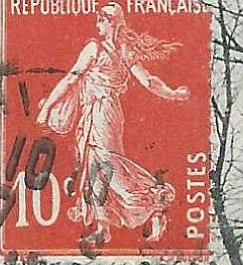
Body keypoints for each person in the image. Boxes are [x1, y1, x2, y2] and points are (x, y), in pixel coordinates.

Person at [35, 1, 192, 247]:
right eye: (98, 19)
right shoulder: (97, 48)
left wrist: (172, 94)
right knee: (93, 166)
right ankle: (102, 226)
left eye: (103, 19)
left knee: (107, 163)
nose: (98, 23)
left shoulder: (111, 50)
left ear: (113, 23)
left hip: (105, 112)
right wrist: (48, 108)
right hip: (91, 112)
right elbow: (70, 80)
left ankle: (155, 204)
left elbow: (148, 80)